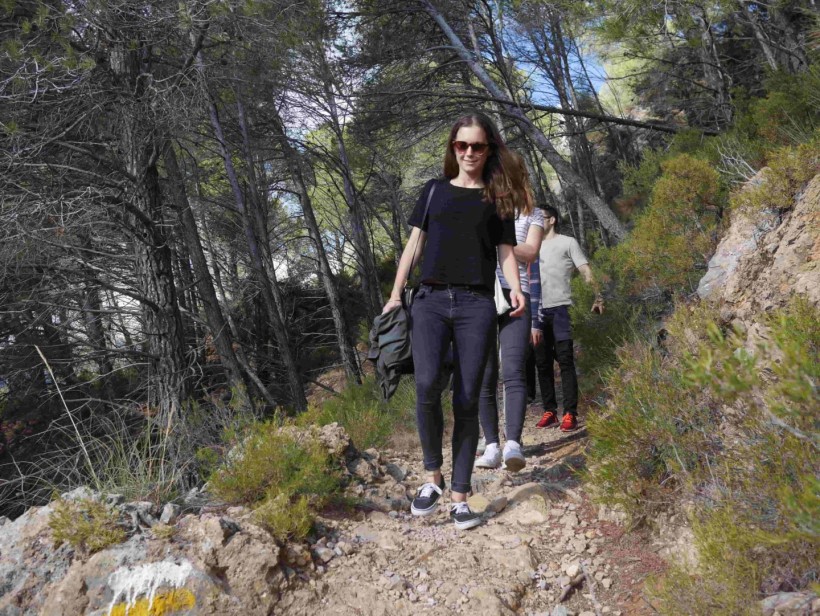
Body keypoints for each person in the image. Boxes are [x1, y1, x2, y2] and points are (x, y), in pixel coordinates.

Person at [382, 112, 528, 530]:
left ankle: (461, 496)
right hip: (428, 300)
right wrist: (395, 295)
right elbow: (413, 246)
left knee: (466, 396)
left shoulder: (496, 198)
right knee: (427, 386)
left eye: (477, 146)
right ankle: (433, 479)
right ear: (452, 148)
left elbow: (504, 250)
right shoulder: (433, 192)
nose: (468, 152)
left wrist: (514, 287)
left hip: (476, 304)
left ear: (488, 150)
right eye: (461, 145)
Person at [474, 197, 542, 472]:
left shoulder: (532, 213)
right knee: (484, 373)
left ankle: (513, 443)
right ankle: (491, 444)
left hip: (517, 294)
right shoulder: (479, 205)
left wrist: (500, 241)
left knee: (514, 369)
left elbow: (531, 251)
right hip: (480, 294)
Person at [532, 206, 604, 432]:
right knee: (542, 363)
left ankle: (570, 413)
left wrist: (597, 295)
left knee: (565, 361)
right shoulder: (529, 246)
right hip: (537, 312)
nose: (535, 222)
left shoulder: (567, 242)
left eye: (539, 217)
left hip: (562, 309)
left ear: (552, 220)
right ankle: (550, 411)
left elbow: (585, 270)